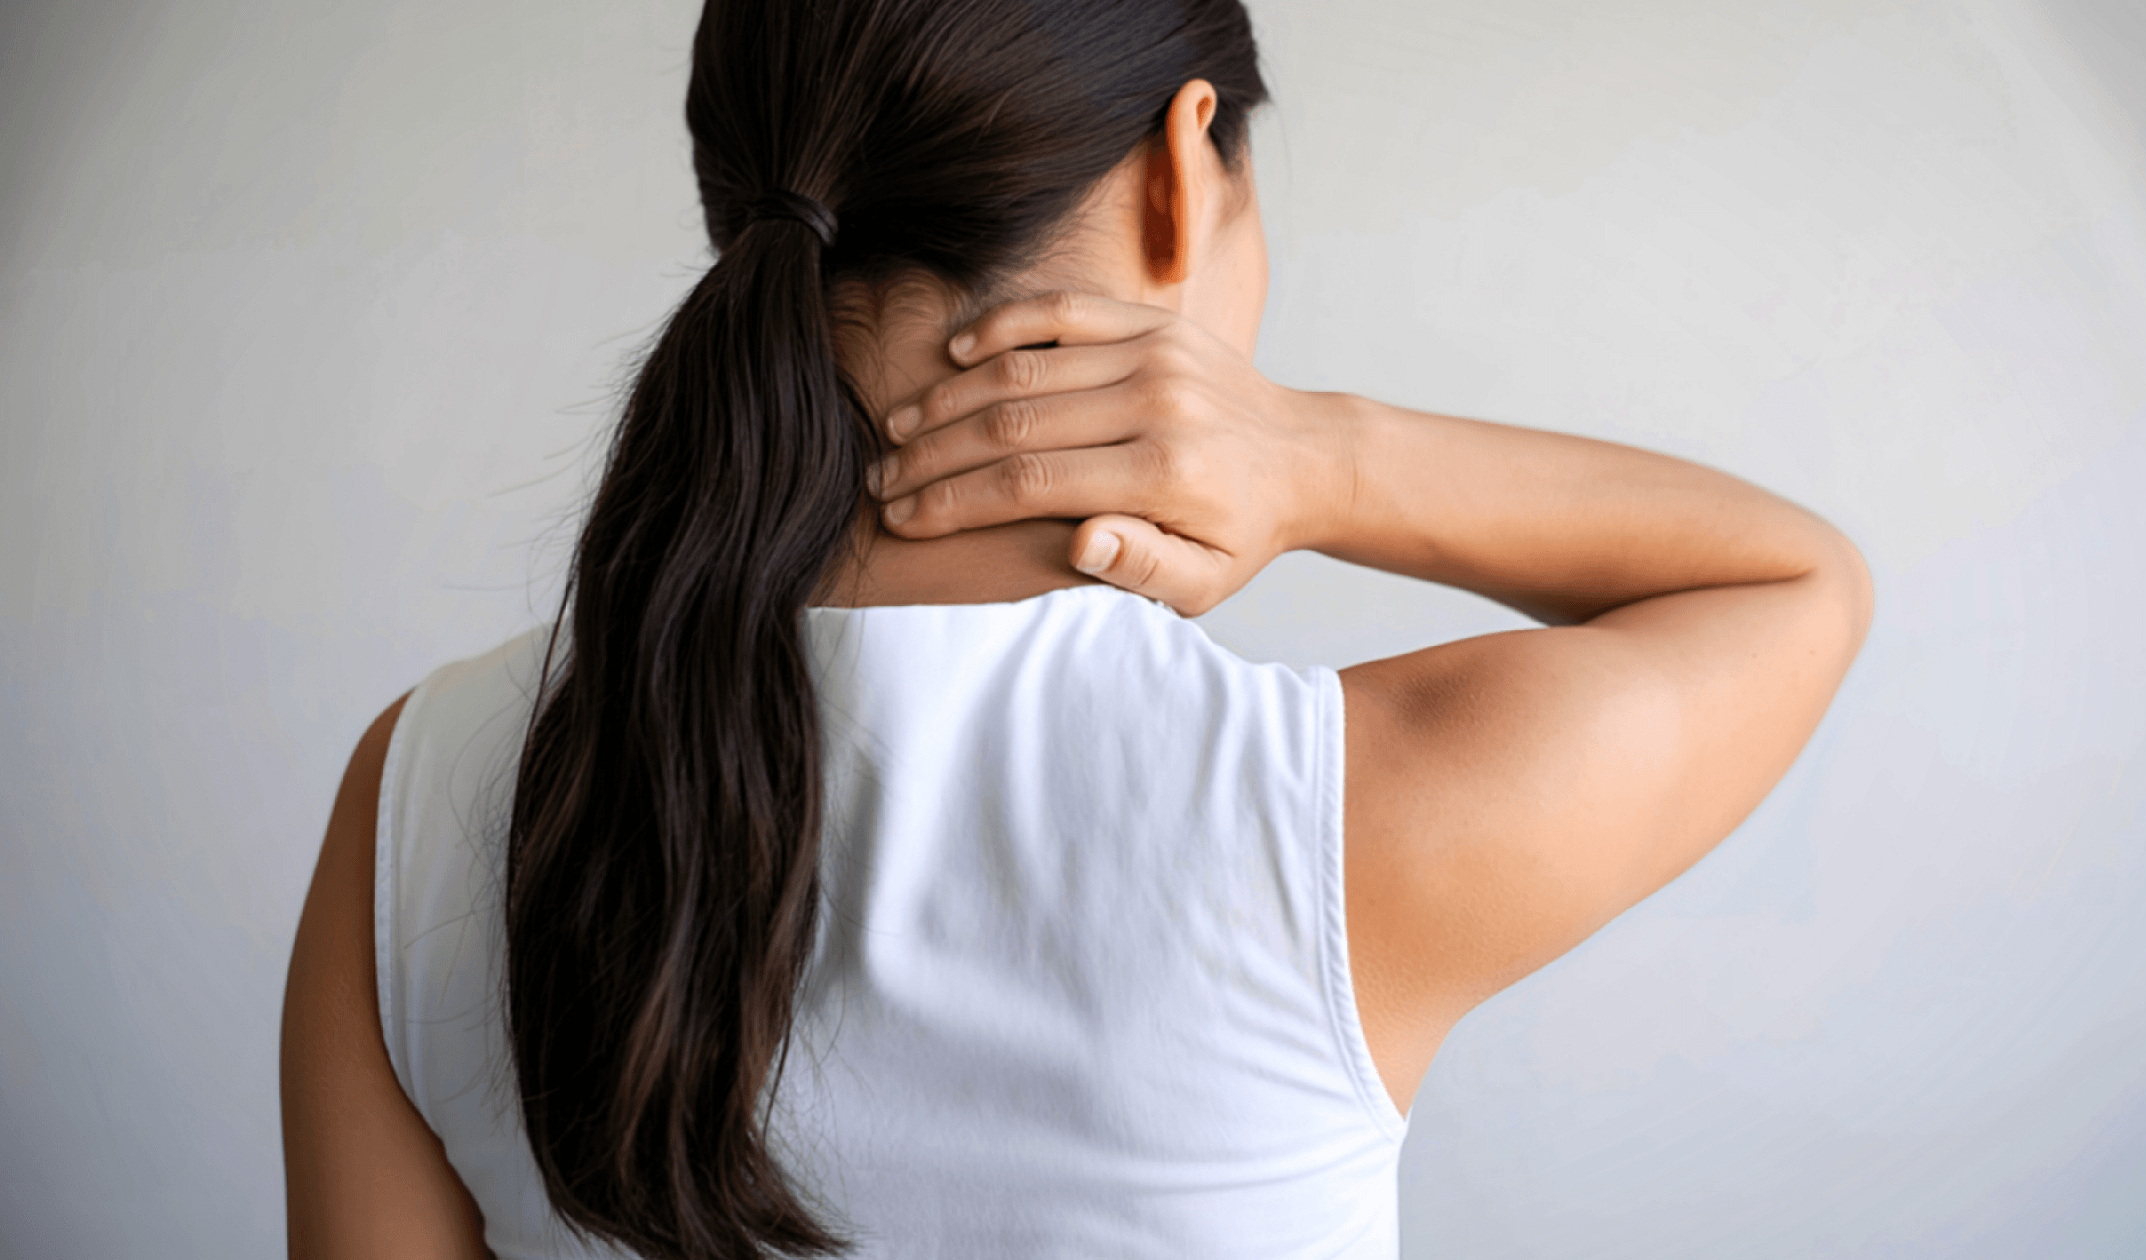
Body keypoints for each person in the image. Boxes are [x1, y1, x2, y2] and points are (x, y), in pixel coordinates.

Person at [279, 0, 1874, 1256]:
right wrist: (1327, 457)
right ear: (1184, 171)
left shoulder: (419, 797)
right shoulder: (1337, 825)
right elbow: (1794, 584)